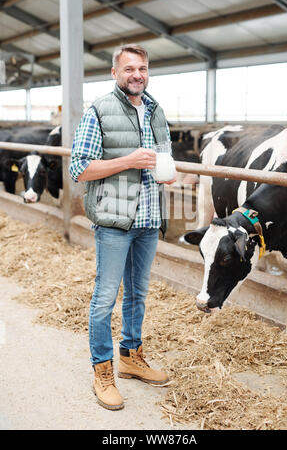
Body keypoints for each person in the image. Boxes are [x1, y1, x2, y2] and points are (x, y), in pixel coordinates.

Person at [69, 44, 176, 411]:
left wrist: (170, 175)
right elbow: (79, 168)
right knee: (104, 300)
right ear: (115, 73)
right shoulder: (99, 109)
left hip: (149, 219)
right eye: (129, 68)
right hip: (115, 222)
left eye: (143, 68)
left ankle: (131, 356)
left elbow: (164, 156)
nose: (137, 74)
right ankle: (103, 370)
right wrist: (128, 160)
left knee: (138, 295)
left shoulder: (157, 110)